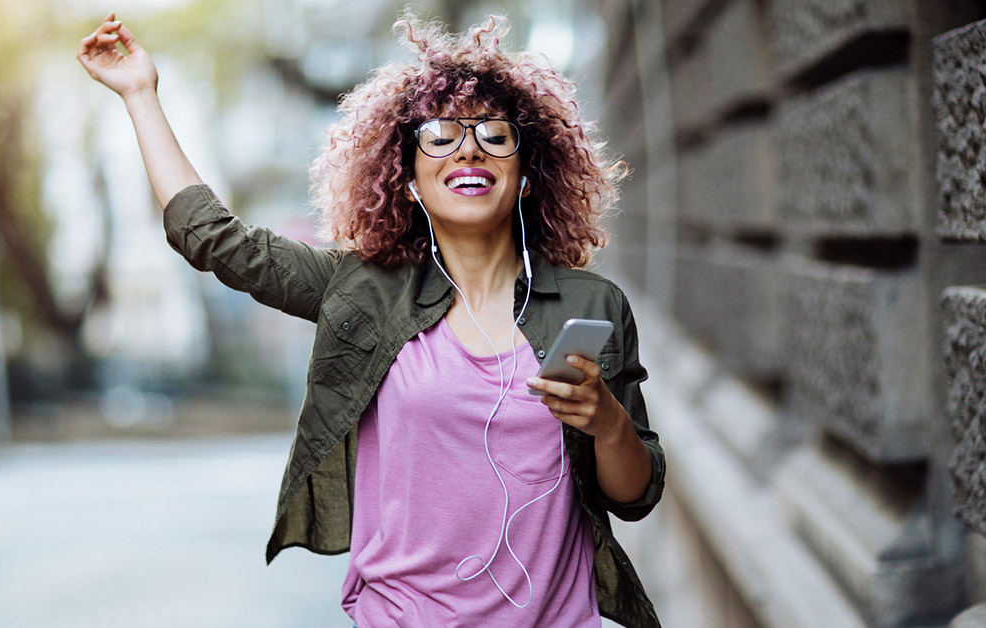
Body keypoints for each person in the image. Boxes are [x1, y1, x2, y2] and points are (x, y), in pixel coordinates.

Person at [78, 11, 665, 628]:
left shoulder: (592, 306)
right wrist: (140, 94)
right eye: (439, 136)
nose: (468, 147)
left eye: (494, 134)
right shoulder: (361, 290)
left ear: (525, 176)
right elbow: (215, 241)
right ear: (407, 180)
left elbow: (635, 494)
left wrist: (606, 423)